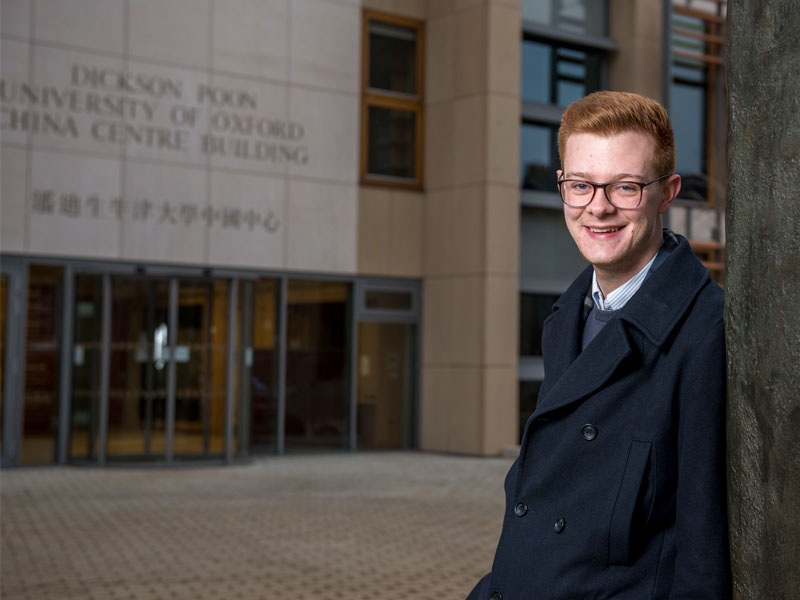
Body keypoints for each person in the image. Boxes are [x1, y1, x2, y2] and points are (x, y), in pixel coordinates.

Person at [467, 91, 731, 599]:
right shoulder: (564, 319)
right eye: (581, 185)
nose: (599, 208)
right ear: (563, 185)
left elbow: (702, 551)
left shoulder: (706, 331)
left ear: (668, 191)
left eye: (626, 187)